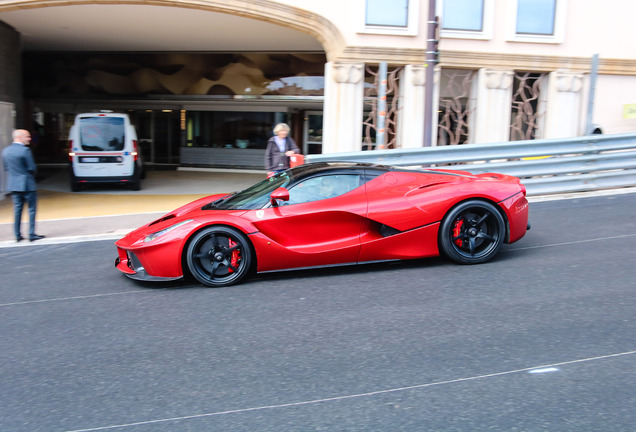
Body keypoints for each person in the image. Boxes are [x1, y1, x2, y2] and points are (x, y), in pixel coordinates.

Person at [2, 129, 45, 242]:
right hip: (27, 184)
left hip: (14, 185)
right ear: (20, 137)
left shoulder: (5, 151)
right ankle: (31, 234)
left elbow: (6, 168)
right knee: (31, 209)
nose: (29, 139)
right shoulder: (25, 151)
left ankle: (17, 235)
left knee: (17, 210)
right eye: (27, 136)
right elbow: (32, 168)